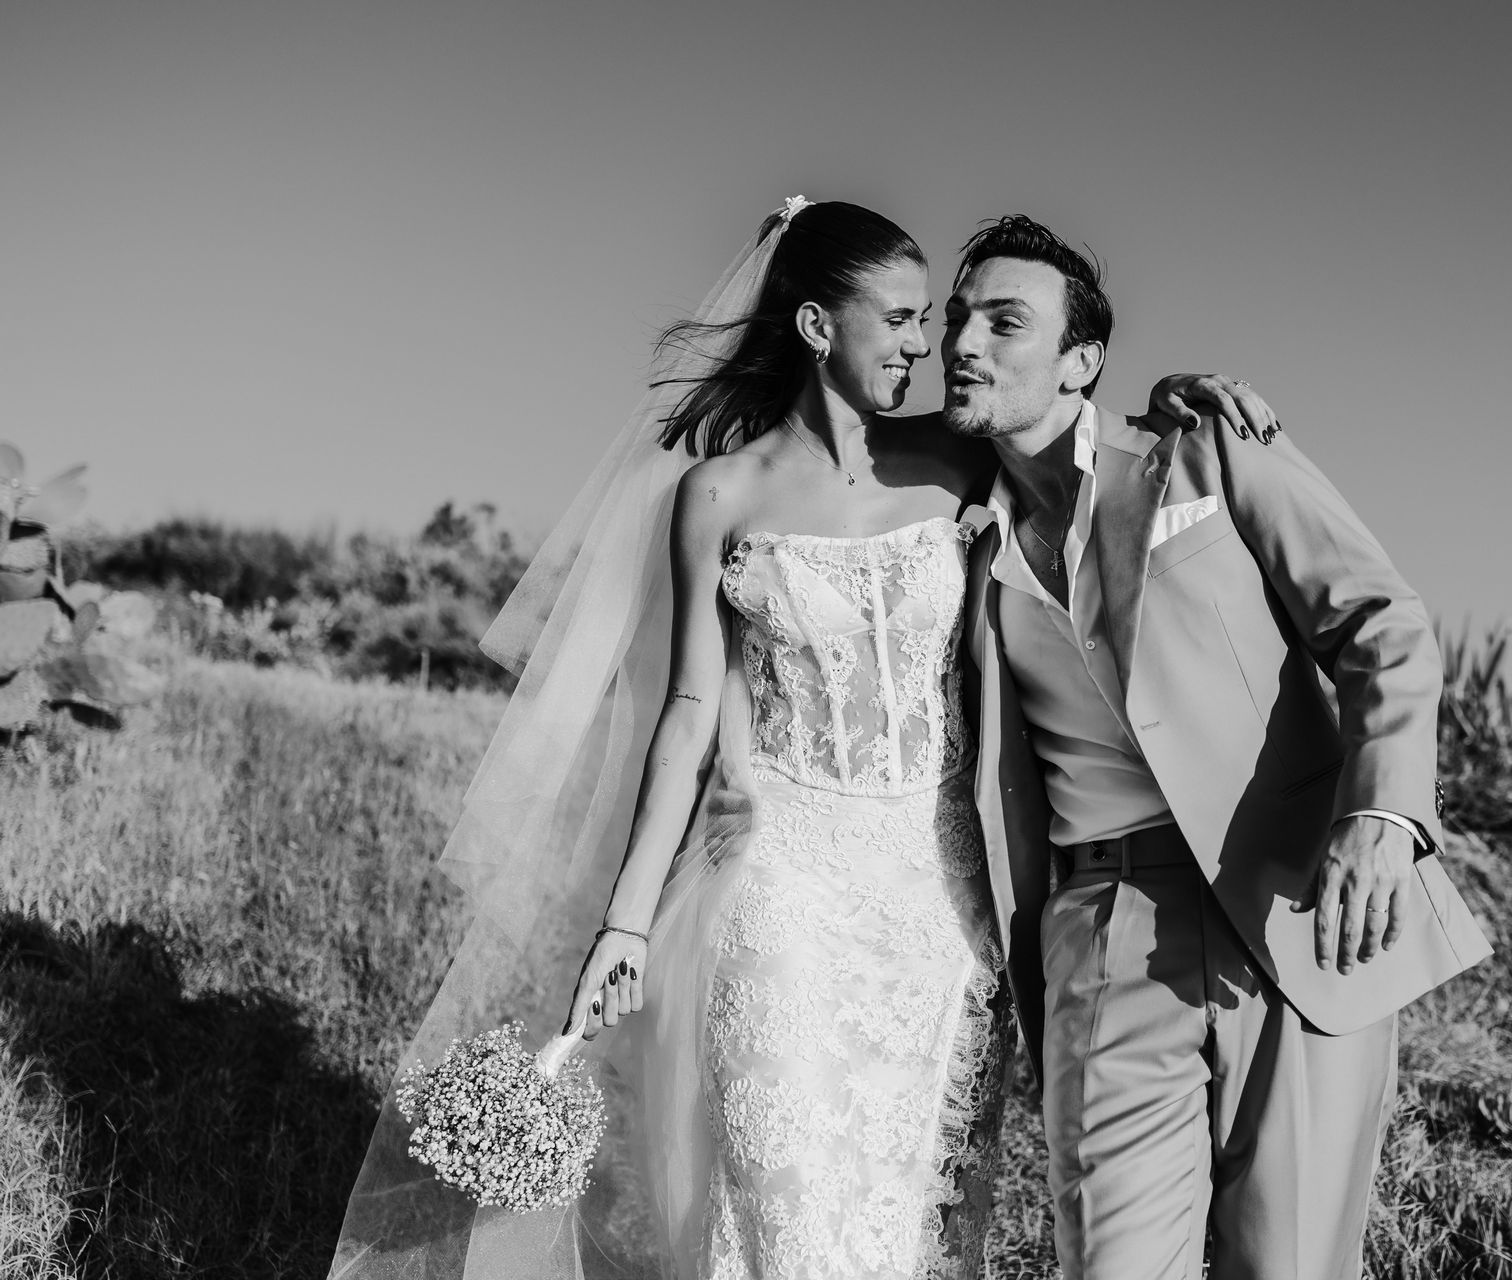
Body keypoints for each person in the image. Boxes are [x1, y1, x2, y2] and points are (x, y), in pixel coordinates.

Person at [330, 196, 1275, 1280]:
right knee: (789, 1219)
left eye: (931, 320)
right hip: (780, 883)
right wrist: (625, 922)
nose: (929, 346)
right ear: (820, 326)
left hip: (941, 901)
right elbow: (688, 712)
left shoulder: (956, 460)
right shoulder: (718, 495)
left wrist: (1174, 399)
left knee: (911, 1224)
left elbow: (1074, 443)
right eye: (904, 319)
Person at [943, 215, 1494, 1280]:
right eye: (957, 318)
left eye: (1005, 322)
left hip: (1294, 904)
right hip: (1100, 927)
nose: (964, 342)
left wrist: (1381, 817)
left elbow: (1380, 623)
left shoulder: (1206, 447)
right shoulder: (957, 522)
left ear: (1081, 362)